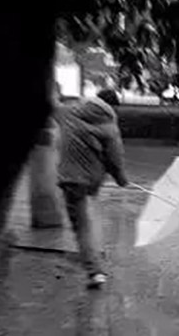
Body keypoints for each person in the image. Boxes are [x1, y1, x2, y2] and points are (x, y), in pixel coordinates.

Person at [56, 91, 128, 289]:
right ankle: (95, 265)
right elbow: (115, 157)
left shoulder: (69, 112)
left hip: (70, 178)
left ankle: (95, 270)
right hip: (93, 179)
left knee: (81, 226)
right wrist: (121, 179)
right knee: (88, 218)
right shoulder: (110, 123)